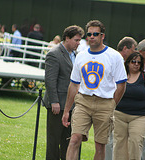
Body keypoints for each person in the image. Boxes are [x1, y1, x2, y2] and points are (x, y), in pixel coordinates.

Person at [62, 20, 127, 160]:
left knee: (100, 145)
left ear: (102, 36)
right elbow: (73, 84)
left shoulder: (114, 56)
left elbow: (121, 85)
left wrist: (112, 104)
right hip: (83, 101)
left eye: (95, 34)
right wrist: (67, 110)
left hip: (105, 103)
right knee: (74, 139)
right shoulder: (81, 56)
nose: (92, 37)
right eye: (89, 34)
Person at [43, 25, 84, 160]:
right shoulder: (54, 54)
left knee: (69, 141)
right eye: (76, 40)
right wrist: (54, 101)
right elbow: (50, 80)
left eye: (79, 40)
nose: (79, 43)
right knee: (54, 142)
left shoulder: (77, 56)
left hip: (73, 106)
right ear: (67, 38)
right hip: (57, 106)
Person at [113, 52, 145, 160]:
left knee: (136, 142)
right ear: (128, 63)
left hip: (139, 115)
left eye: (139, 62)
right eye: (133, 61)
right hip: (119, 115)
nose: (136, 64)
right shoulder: (120, 74)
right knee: (119, 143)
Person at [105, 36, 137, 160]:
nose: (135, 53)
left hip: (121, 107)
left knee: (119, 140)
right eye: (133, 49)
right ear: (125, 48)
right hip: (110, 104)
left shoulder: (128, 64)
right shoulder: (113, 59)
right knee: (108, 138)